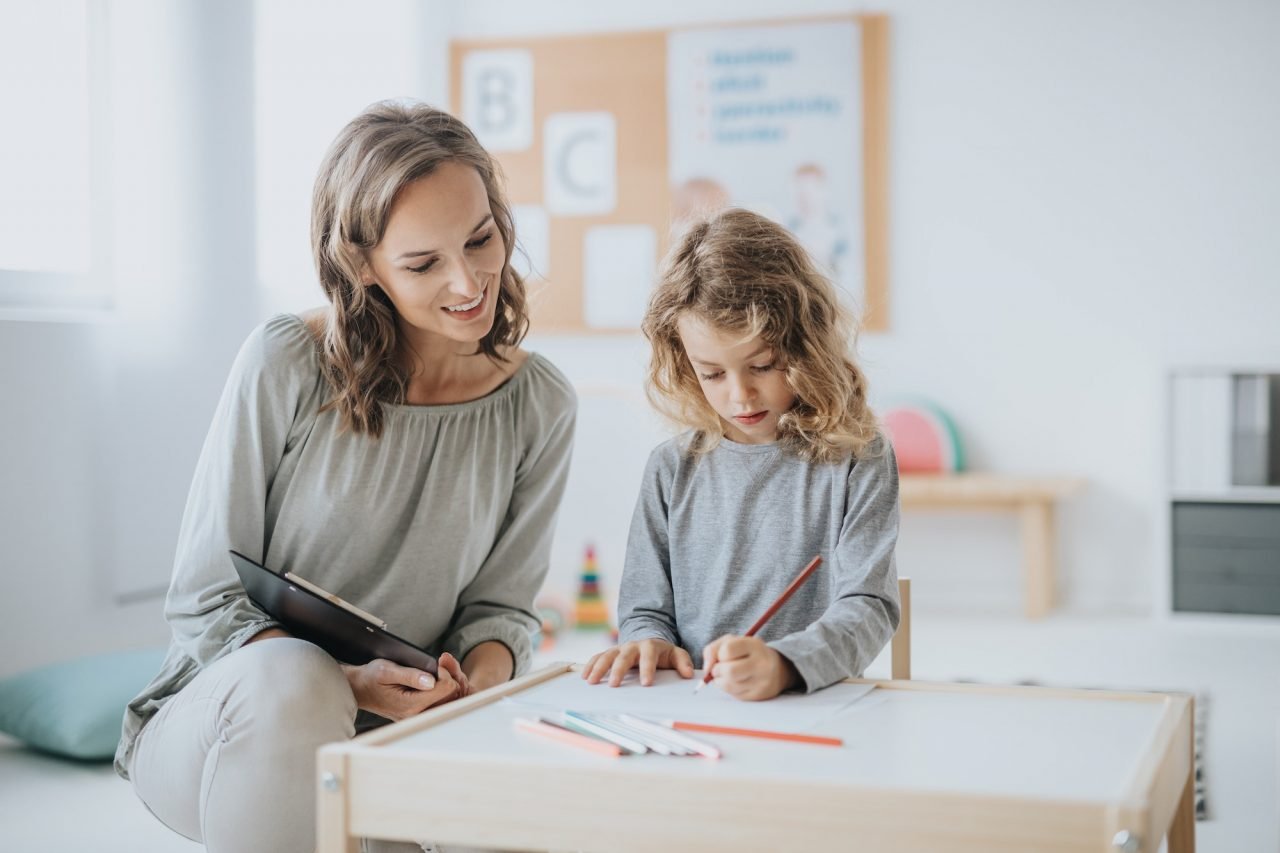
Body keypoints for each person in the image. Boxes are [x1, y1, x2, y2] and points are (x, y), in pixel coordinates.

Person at [116, 101, 576, 853]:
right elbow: (204, 597)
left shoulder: (540, 402)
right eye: (424, 263)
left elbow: (503, 609)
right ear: (362, 265)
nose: (469, 281)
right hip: (232, 722)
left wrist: (475, 687)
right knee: (298, 680)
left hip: (400, 742)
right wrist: (348, 683)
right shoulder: (285, 360)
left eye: (482, 237)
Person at [582, 207, 898, 701]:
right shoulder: (670, 469)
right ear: (685, 364)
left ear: (805, 345)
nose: (741, 396)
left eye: (763, 365)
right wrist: (648, 641)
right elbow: (645, 608)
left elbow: (869, 606)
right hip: (692, 709)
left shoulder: (857, 456)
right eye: (712, 373)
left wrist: (785, 665)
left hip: (810, 704)